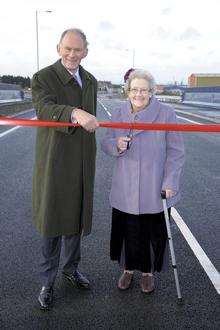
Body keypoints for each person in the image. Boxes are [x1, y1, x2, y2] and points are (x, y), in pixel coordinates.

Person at [31, 28, 99, 310]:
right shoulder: (43, 77)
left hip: (83, 159)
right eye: (67, 49)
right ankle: (48, 281)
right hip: (56, 161)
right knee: (53, 221)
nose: (72, 54)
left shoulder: (91, 80)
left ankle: (71, 270)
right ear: (58, 47)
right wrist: (72, 112)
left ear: (86, 51)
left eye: (78, 50)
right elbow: (43, 108)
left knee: (76, 219)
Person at [101, 69, 185, 293]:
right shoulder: (118, 113)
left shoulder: (166, 113)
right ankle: (127, 269)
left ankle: (148, 273)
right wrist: (116, 145)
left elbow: (176, 152)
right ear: (128, 91)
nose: (139, 94)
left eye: (144, 90)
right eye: (134, 89)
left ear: (152, 91)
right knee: (127, 230)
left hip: (154, 184)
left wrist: (170, 182)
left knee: (152, 232)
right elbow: (106, 143)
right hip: (125, 185)